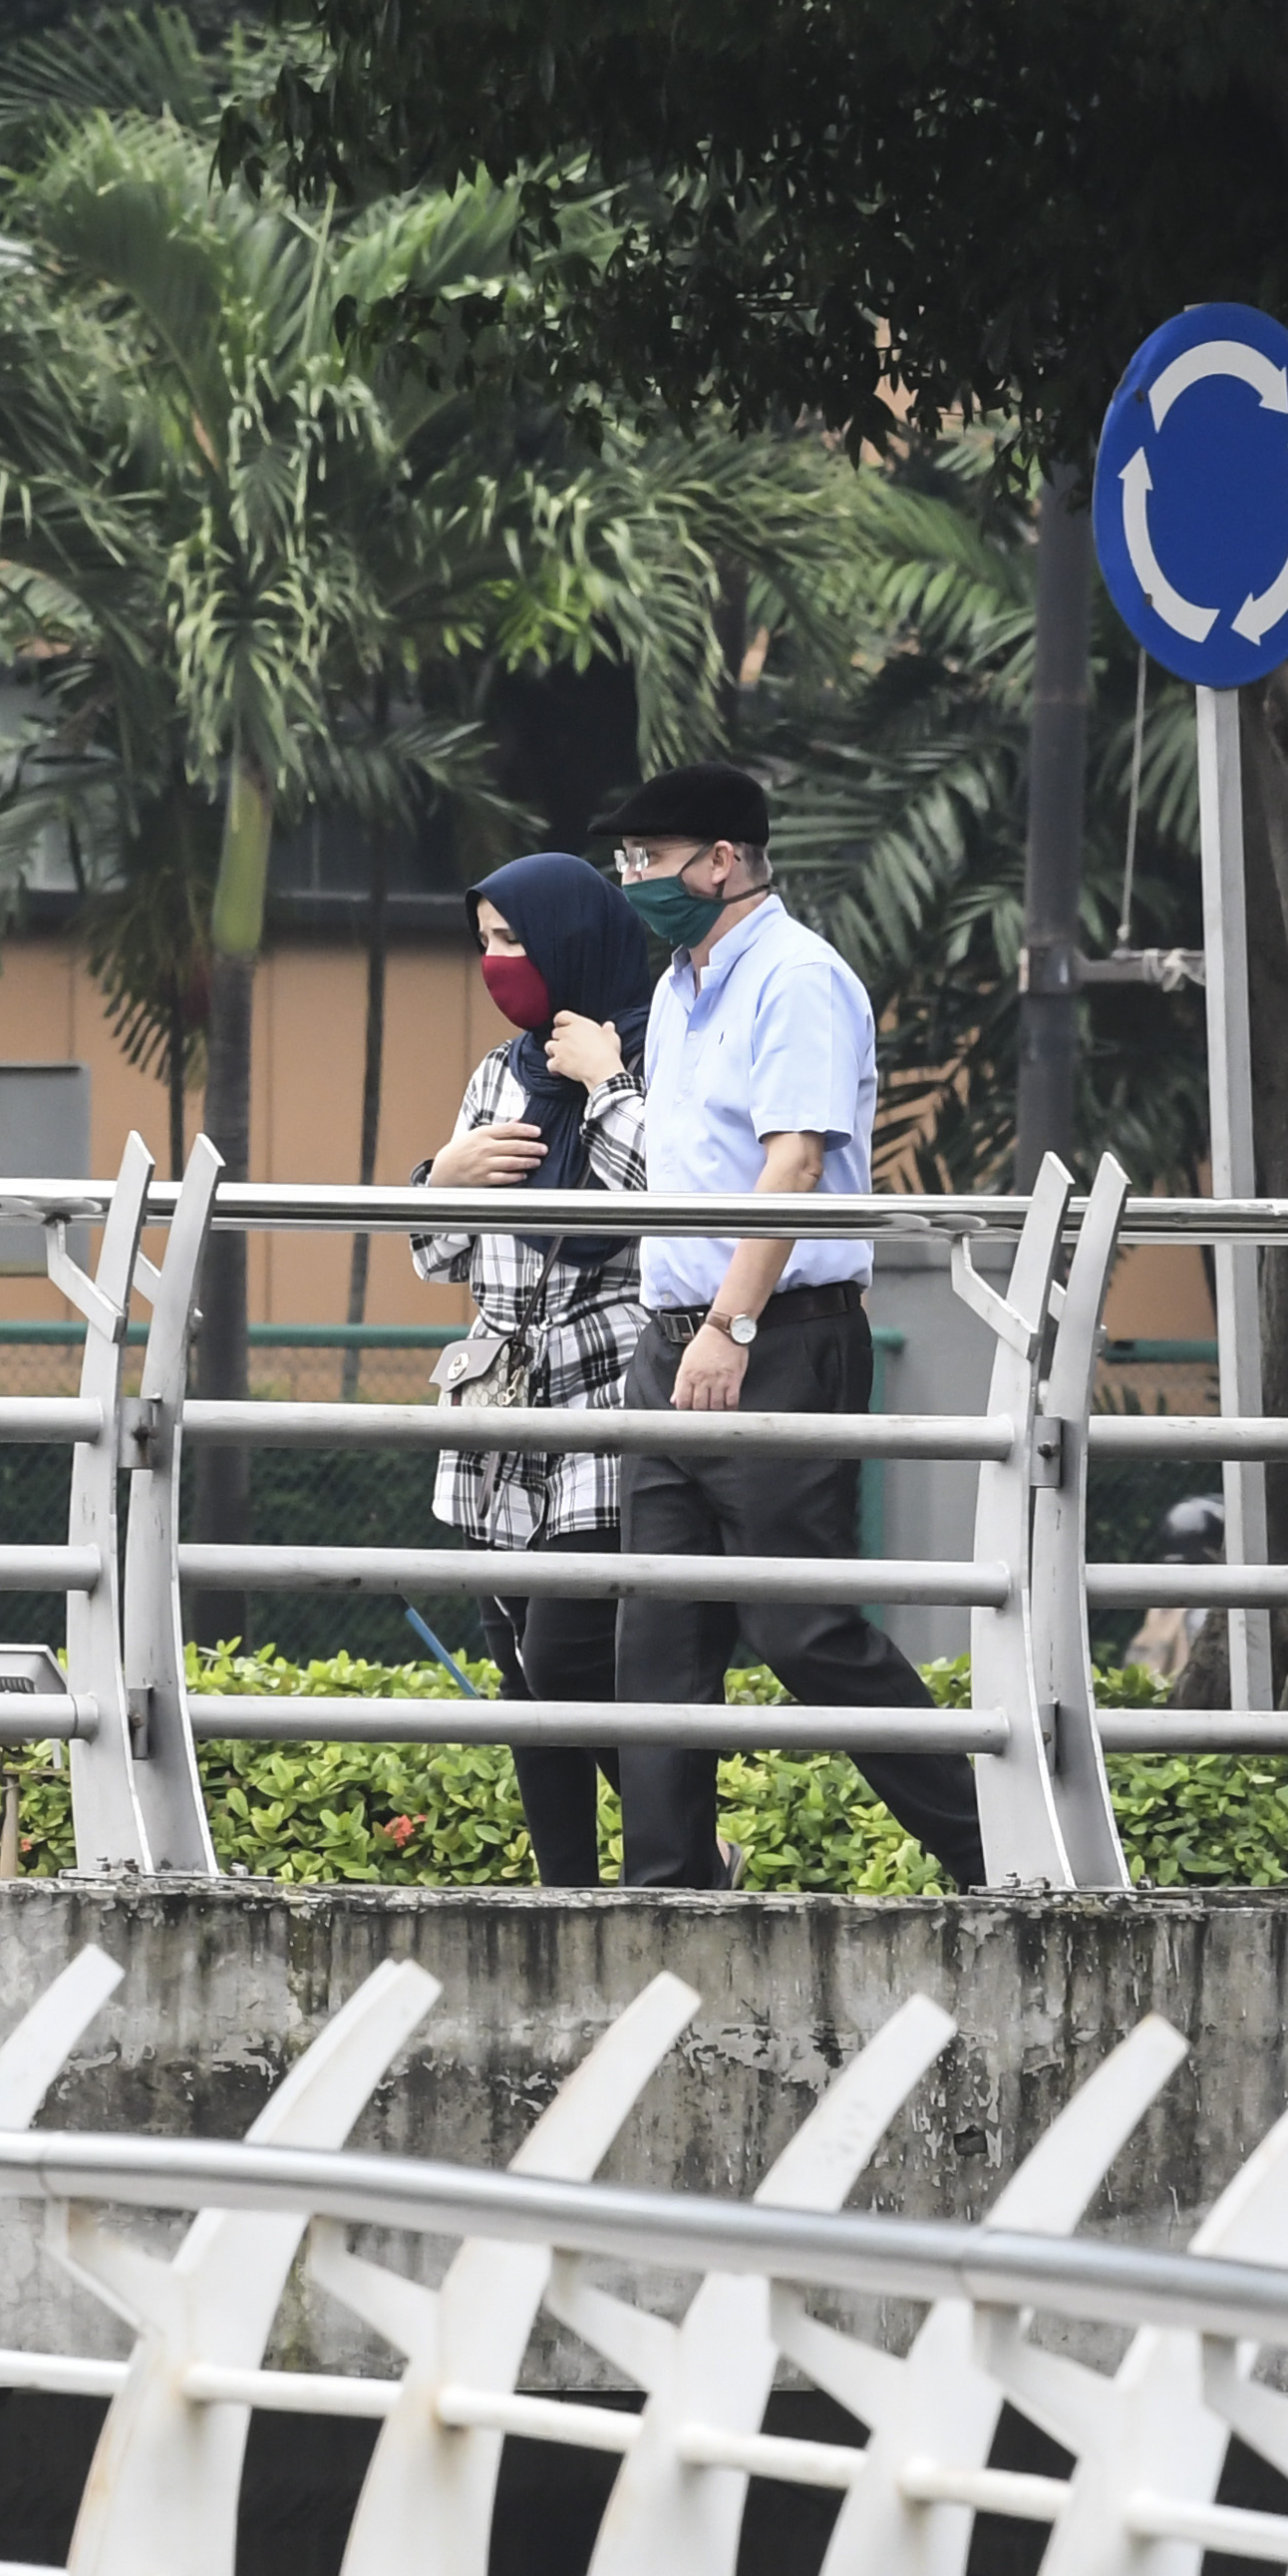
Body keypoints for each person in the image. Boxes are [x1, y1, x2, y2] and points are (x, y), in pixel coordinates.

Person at [603, 763, 985, 1890]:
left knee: (798, 1626)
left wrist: (732, 1319)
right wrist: (686, 1328)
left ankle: (992, 1849)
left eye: (650, 859)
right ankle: (664, 1892)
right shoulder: (678, 986)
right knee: (657, 1638)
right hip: (672, 1335)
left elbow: (797, 1161)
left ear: (721, 861)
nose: (634, 879)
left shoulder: (799, 978)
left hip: (769, 1333)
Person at [405, 852, 653, 1891]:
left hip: (605, 1399)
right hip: (498, 1410)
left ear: (569, 940)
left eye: (514, 941)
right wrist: (439, 1181)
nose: (496, 964)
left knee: (564, 1659)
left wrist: (604, 1088)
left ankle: (678, 1838)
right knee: (518, 1675)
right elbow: (437, 1256)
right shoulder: (496, 1075)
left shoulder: (650, 1055)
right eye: (486, 942)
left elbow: (676, 1199)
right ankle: (567, 1894)